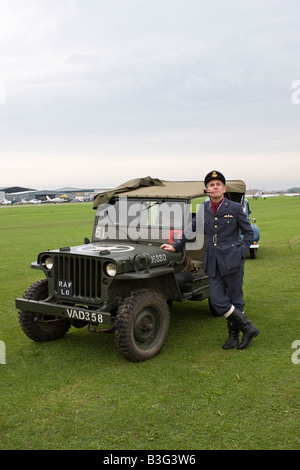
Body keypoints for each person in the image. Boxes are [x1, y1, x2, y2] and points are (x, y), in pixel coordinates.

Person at [160, 170, 259, 350]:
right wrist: (176, 245)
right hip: (212, 262)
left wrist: (242, 251)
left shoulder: (235, 208)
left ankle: (233, 336)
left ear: (223, 188)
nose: (214, 187)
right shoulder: (203, 209)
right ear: (207, 190)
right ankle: (248, 328)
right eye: (211, 185)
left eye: (217, 184)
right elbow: (191, 229)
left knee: (236, 299)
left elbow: (249, 233)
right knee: (217, 301)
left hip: (233, 261)